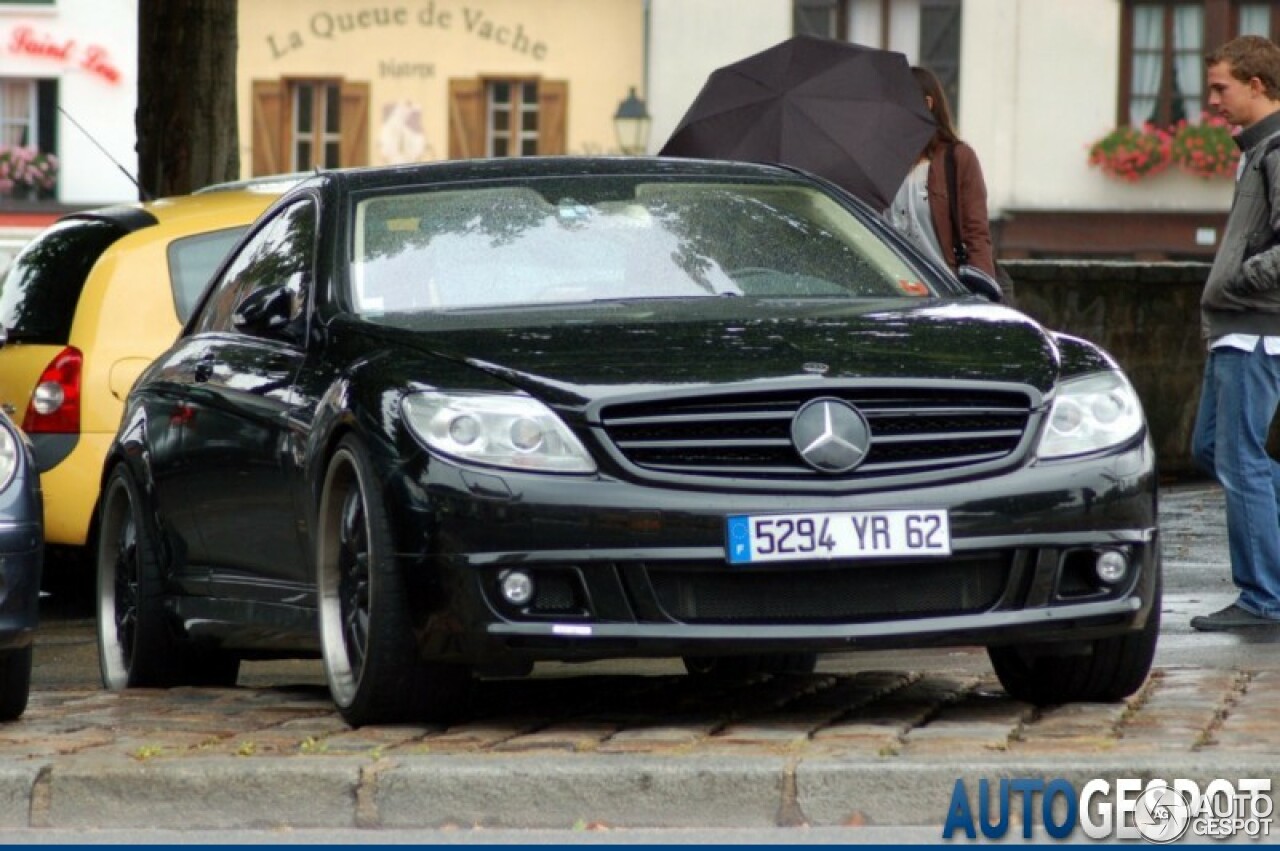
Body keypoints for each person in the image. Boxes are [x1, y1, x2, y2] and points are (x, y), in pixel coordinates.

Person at [1190, 35, 1280, 631]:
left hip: (1252, 331)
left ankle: (1263, 600)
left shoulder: (1276, 150)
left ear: (1256, 85)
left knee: (1242, 460)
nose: (1212, 100)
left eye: (1221, 88)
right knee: (1213, 450)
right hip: (1236, 329)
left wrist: (1245, 279)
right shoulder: (1256, 149)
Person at [883, 66, 996, 279]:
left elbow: (976, 235)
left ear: (927, 104)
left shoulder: (958, 159)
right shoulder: (886, 164)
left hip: (946, 293)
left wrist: (981, 293)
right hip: (899, 297)